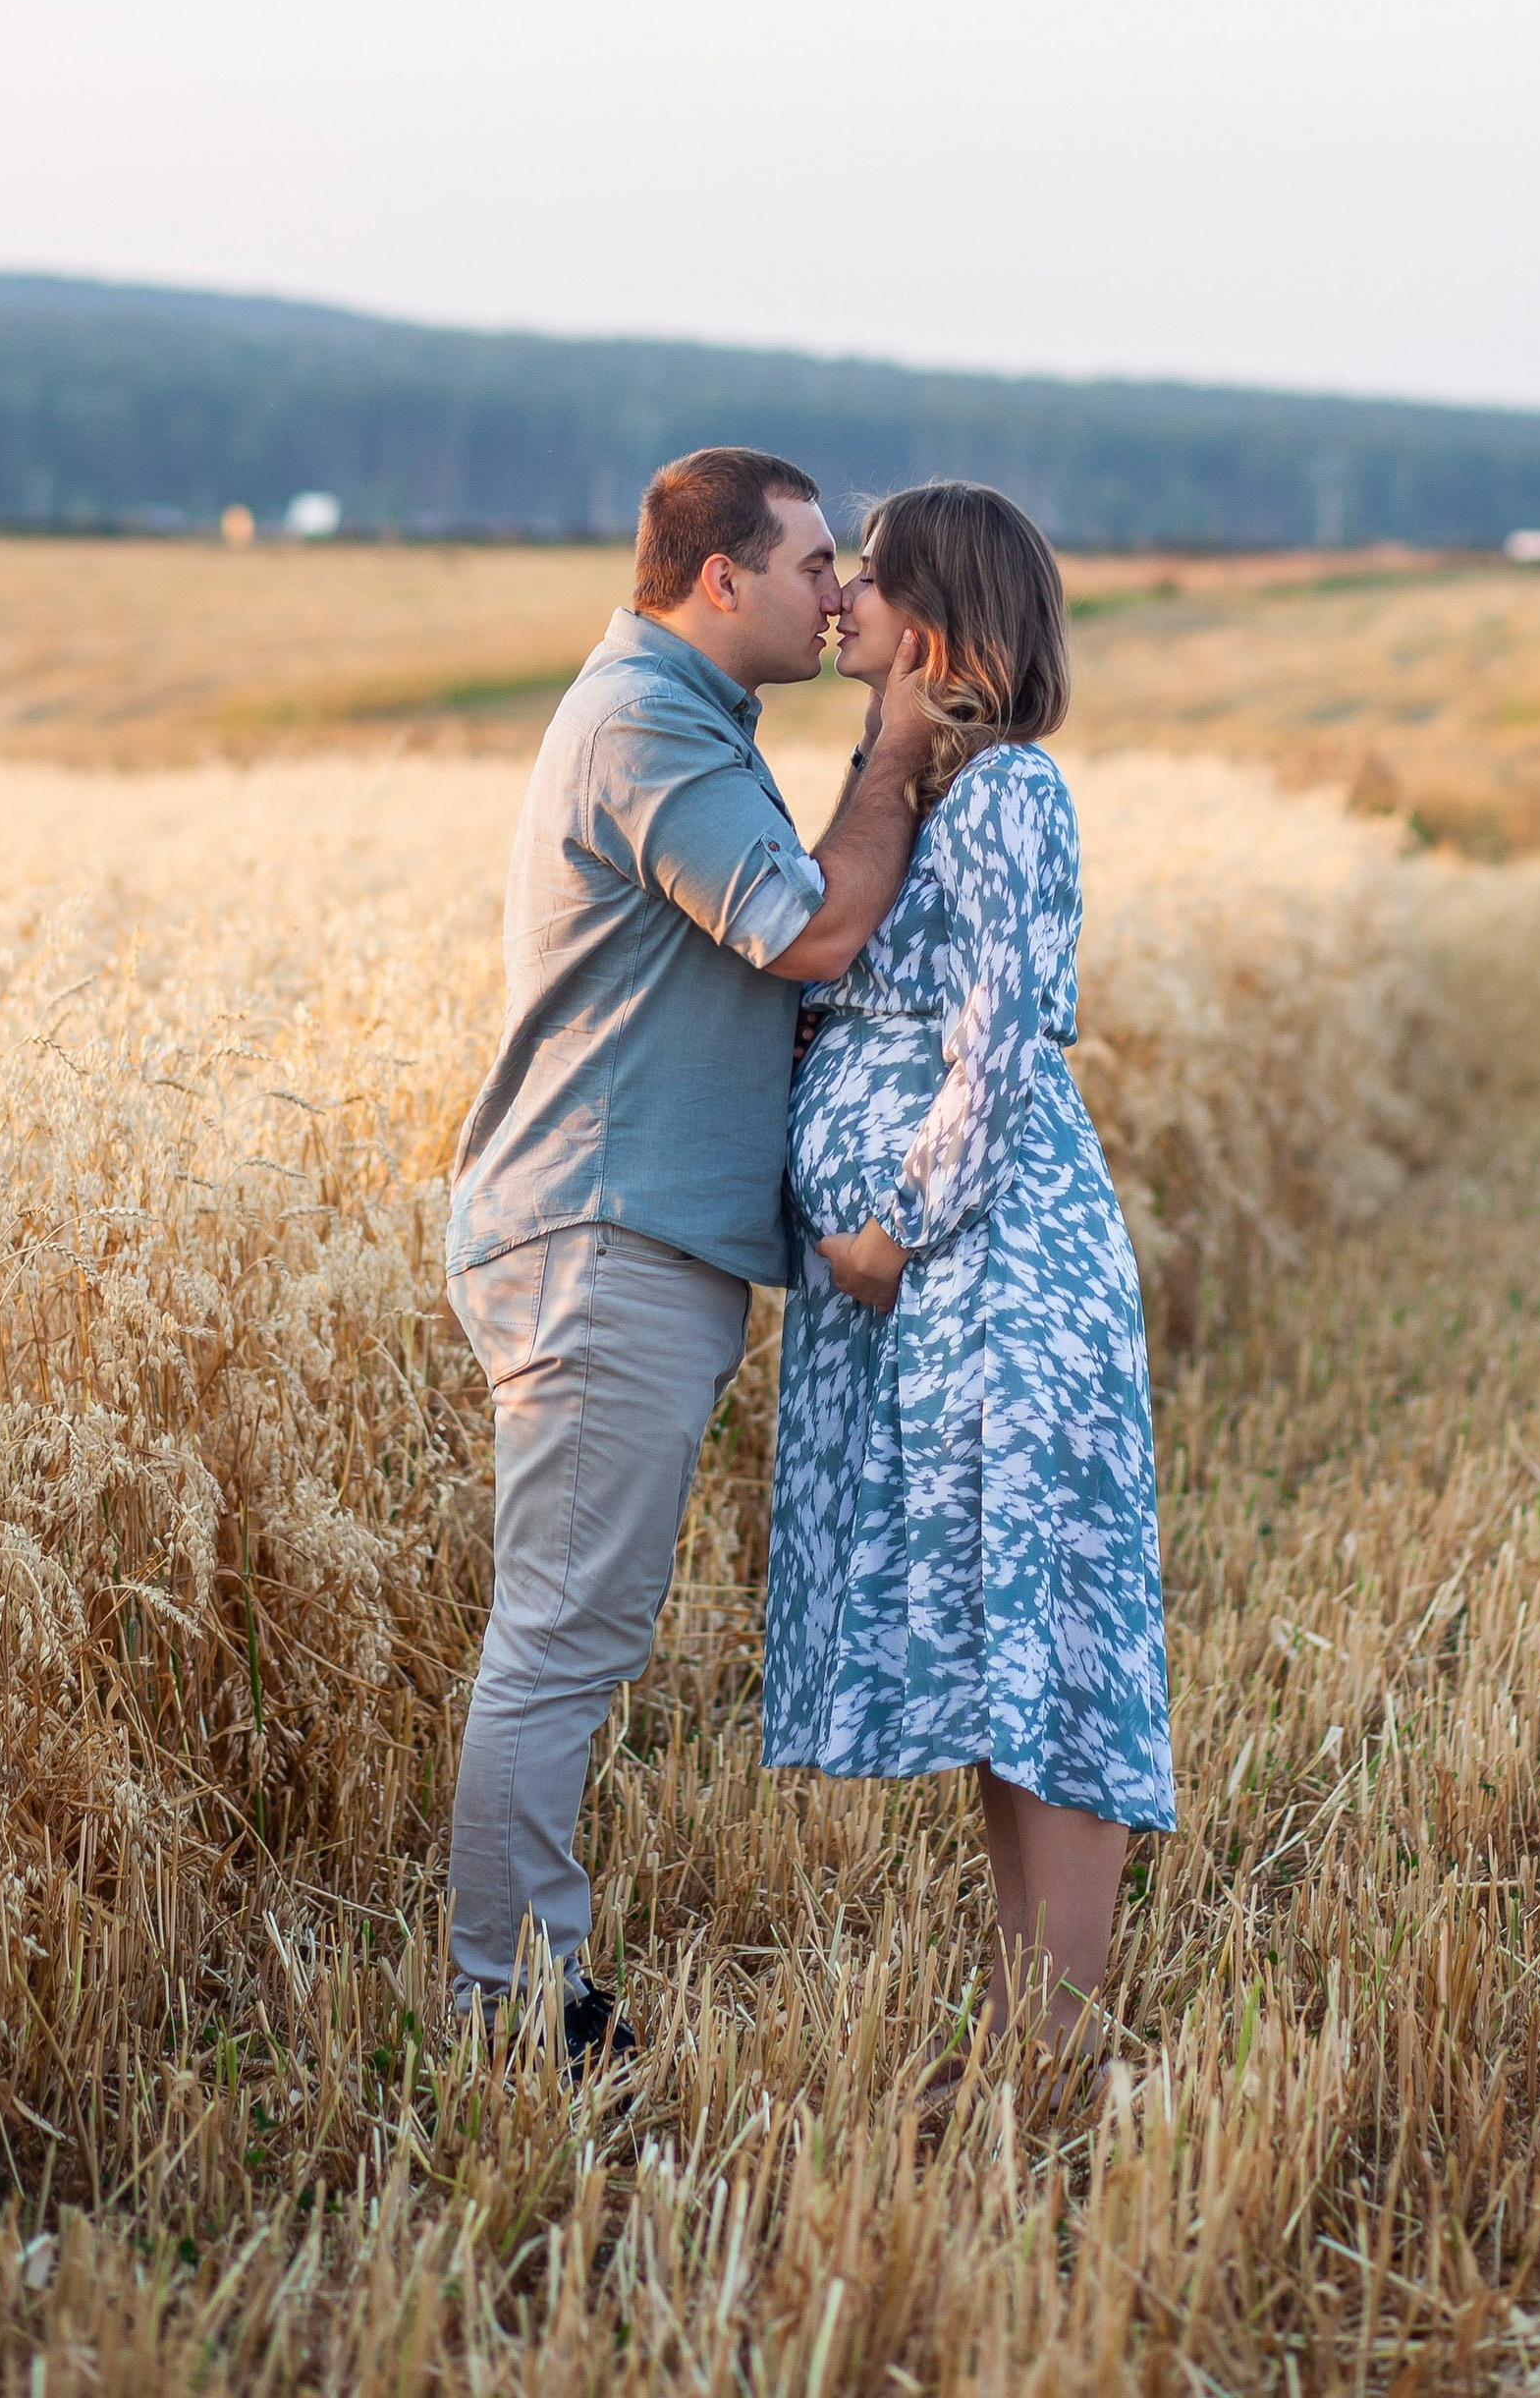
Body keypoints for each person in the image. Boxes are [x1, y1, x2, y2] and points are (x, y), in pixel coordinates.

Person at [442, 446, 932, 2068]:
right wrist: (896, 749)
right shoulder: (647, 720)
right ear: (719, 578)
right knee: (563, 1640)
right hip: (602, 1239)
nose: (836, 593)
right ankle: (512, 2021)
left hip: (627, 1236)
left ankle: (526, 1995)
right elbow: (807, 931)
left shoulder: (677, 716)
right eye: (810, 566)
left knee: (574, 1630)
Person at [762, 481, 1175, 2088]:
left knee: (1045, 1642)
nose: (843, 599)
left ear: (939, 616)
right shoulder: (909, 797)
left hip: (998, 1274)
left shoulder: (1009, 796)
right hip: (931, 1297)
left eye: (872, 579)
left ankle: (1060, 2041)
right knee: (993, 1657)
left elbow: (1003, 1042)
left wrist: (891, 1228)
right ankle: (1025, 2029)